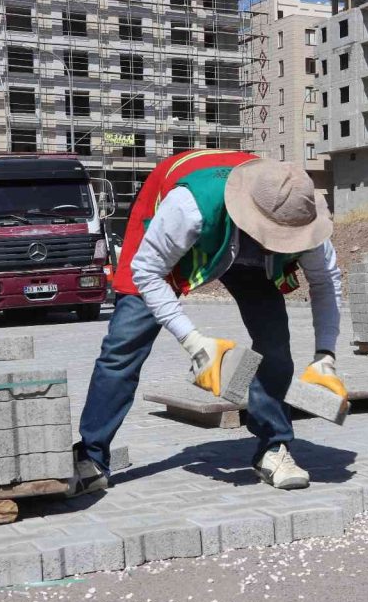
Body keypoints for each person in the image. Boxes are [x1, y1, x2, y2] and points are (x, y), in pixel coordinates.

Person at [70, 150, 344, 496]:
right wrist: (193, 341)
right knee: (123, 347)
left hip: (245, 250)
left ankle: (273, 447)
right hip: (180, 236)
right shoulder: (188, 207)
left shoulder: (299, 213)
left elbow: (326, 284)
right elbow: (147, 272)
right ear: (251, 216)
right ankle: (92, 456)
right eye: (272, 234)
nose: (280, 241)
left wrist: (325, 355)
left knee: (275, 345)